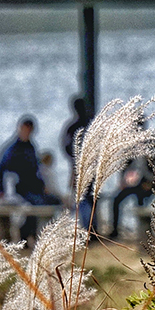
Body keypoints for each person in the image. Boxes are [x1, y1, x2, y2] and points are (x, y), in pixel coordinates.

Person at [0, 116, 60, 242]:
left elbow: (35, 172)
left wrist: (43, 186)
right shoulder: (11, 150)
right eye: (25, 129)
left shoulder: (30, 148)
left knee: (53, 202)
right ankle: (25, 237)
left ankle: (36, 237)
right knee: (32, 206)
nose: (27, 133)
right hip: (17, 191)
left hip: (31, 189)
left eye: (29, 130)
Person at [109, 118, 155, 239]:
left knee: (141, 202)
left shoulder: (151, 142)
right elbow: (124, 164)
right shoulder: (130, 144)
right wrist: (122, 180)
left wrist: (150, 182)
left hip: (147, 181)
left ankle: (144, 233)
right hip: (132, 182)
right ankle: (115, 230)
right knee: (116, 200)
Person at [62, 96, 97, 232]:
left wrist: (73, 158)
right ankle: (90, 227)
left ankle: (84, 228)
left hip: (77, 166)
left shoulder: (72, 127)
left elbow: (65, 145)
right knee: (89, 196)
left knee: (80, 196)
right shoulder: (90, 124)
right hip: (92, 166)